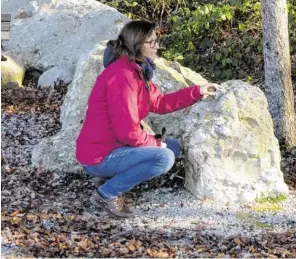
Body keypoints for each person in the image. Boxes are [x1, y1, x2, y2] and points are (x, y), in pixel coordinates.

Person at [75, 20, 222, 218]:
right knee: (164, 157)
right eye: (151, 42)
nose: (157, 46)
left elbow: (160, 102)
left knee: (174, 147)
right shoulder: (122, 77)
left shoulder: (136, 70)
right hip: (99, 155)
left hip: (115, 146)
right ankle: (106, 193)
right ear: (137, 44)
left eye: (156, 40)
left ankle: (108, 179)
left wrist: (197, 91)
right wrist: (155, 143)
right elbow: (127, 132)